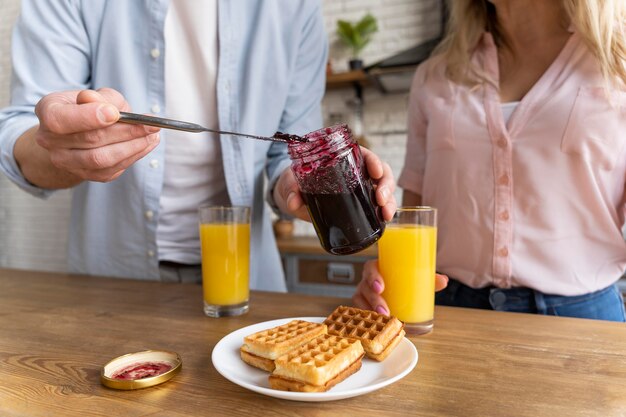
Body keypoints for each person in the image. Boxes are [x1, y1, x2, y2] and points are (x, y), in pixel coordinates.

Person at [0, 1, 396, 291]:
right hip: (113, 283)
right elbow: (20, 134)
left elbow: (288, 153)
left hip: (248, 282)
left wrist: (298, 183)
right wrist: (65, 148)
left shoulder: (296, 9)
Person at [353, 0, 626, 321]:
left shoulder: (615, 61)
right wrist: (392, 274)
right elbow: (414, 220)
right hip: (448, 308)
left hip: (583, 317)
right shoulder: (435, 76)